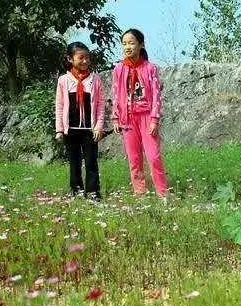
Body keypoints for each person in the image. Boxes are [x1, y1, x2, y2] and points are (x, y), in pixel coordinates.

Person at [111, 28, 168, 197]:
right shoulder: (119, 69)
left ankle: (163, 193)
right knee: (134, 159)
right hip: (127, 119)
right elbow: (115, 94)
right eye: (124, 44)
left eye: (131, 43)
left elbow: (156, 95)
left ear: (141, 45)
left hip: (147, 117)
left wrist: (154, 120)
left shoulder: (150, 68)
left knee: (153, 157)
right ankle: (140, 193)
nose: (127, 47)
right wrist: (115, 118)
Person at [55, 41, 105, 200]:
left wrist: (99, 125)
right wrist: (59, 129)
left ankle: (93, 192)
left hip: (90, 130)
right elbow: (60, 106)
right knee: (74, 162)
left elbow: (101, 104)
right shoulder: (63, 80)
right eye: (81, 58)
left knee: (91, 161)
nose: (85, 61)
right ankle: (76, 190)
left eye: (87, 57)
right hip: (71, 130)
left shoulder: (95, 79)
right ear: (70, 59)